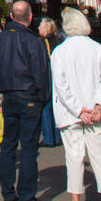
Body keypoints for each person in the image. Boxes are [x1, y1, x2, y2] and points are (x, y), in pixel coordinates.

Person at [50, 8, 101, 201]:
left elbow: (61, 87)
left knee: (74, 158)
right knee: (100, 158)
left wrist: (79, 110)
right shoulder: (97, 49)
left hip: (72, 115)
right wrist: (98, 106)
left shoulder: (60, 52)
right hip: (96, 114)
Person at [0, 0, 51, 201]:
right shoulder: (34, 41)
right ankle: (26, 196)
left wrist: (0, 89)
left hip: (9, 98)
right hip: (30, 98)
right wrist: (43, 98)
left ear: (12, 17)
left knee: (8, 145)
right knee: (29, 147)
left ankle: (7, 194)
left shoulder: (0, 39)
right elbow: (42, 73)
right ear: (31, 17)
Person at [38, 17, 64, 147]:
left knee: (46, 107)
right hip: (57, 76)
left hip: (47, 76)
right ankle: (58, 135)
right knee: (56, 106)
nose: (38, 29)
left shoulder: (42, 43)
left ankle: (48, 137)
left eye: (41, 27)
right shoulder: (59, 41)